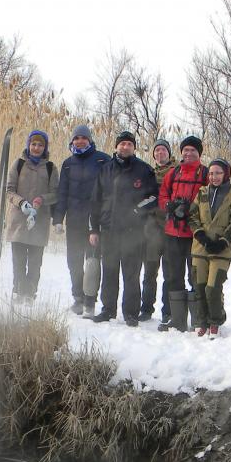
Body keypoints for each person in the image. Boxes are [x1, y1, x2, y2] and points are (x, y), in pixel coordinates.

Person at [89, 130, 159, 325]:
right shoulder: (105, 170)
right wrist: (94, 229)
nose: (125, 147)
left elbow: (154, 197)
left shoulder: (144, 170)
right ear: (116, 147)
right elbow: (95, 201)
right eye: (122, 144)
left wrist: (137, 211)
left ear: (134, 148)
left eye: (129, 144)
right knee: (109, 271)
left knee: (131, 274)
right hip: (109, 230)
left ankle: (130, 313)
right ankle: (107, 310)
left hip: (133, 233)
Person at [53, 125, 110, 316]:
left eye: (83, 138)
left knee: (92, 261)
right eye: (76, 138)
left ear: (90, 140)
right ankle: (77, 297)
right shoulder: (68, 164)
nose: (80, 141)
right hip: (75, 220)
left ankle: (90, 302)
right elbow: (62, 193)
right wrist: (58, 218)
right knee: (74, 260)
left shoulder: (102, 160)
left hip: (95, 221)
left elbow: (110, 189)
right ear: (72, 141)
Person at [156, 135, 207, 332]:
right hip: (172, 232)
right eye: (185, 150)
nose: (188, 153)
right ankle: (173, 317)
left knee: (196, 276)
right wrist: (169, 205)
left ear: (199, 153)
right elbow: (163, 194)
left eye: (193, 150)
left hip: (195, 235)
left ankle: (198, 318)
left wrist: (192, 209)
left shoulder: (204, 173)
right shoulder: (173, 172)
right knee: (172, 276)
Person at [188, 158, 231, 337]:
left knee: (213, 287)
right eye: (211, 173)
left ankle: (215, 320)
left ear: (225, 174)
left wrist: (223, 241)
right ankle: (201, 320)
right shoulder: (202, 192)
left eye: (218, 173)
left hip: (221, 248)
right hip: (200, 247)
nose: (214, 177)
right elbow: (192, 216)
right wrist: (201, 236)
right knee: (199, 285)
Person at [4, 130, 57, 304]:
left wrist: (42, 199)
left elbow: (55, 194)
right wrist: (21, 203)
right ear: (28, 145)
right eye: (33, 144)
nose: (36, 148)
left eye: (40, 145)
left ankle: (30, 295)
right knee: (18, 262)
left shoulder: (50, 168)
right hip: (19, 221)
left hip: (39, 223)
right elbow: (9, 190)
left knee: (35, 264)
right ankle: (18, 293)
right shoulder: (18, 164)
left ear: (45, 147)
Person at [139, 139, 175, 324]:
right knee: (150, 271)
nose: (160, 153)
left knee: (169, 273)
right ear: (154, 155)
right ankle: (146, 308)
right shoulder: (149, 173)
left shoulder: (177, 171)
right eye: (157, 151)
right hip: (152, 229)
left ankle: (168, 311)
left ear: (169, 153)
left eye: (163, 150)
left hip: (170, 229)